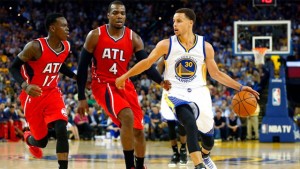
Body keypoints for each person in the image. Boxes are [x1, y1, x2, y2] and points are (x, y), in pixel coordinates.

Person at [115, 8, 260, 169]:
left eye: (179, 21)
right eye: (173, 21)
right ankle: (198, 166)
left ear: (190, 23)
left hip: (200, 92)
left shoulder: (206, 47)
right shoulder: (166, 44)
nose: (174, 24)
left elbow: (216, 74)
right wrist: (125, 76)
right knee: (189, 123)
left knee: (208, 140)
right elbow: (147, 63)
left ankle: (204, 156)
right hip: (175, 92)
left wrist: (240, 87)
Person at [76, 1, 164, 169]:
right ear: (108, 15)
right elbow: (81, 68)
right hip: (102, 85)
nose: (119, 16)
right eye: (115, 12)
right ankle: (129, 166)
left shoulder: (134, 38)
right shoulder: (95, 35)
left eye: (122, 13)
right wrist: (81, 96)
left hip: (123, 84)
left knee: (138, 129)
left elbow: (146, 65)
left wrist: (161, 81)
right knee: (127, 117)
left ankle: (140, 166)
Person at [9, 13, 76, 169]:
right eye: (64, 26)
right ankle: (27, 137)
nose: (68, 29)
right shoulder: (34, 47)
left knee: (61, 129)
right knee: (42, 141)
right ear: (52, 28)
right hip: (33, 95)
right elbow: (13, 67)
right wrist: (25, 86)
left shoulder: (66, 46)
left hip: (52, 92)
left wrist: (76, 77)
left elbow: (59, 64)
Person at [156, 57, 188, 166]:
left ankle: (183, 150)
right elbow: (157, 71)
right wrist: (162, 60)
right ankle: (175, 153)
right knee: (170, 124)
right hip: (168, 92)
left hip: (183, 91)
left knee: (181, 123)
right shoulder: (166, 55)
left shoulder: (184, 56)